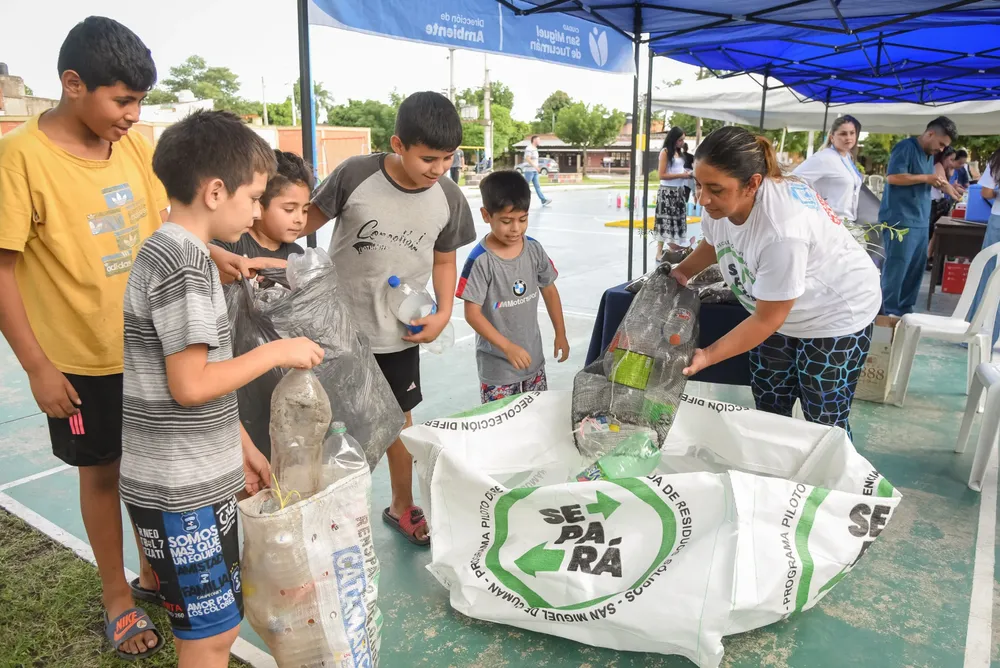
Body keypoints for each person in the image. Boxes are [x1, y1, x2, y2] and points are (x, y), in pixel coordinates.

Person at [121, 110, 324, 668]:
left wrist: (243, 447)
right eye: (255, 197)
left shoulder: (175, 253)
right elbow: (190, 385)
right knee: (210, 637)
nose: (258, 211)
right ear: (215, 191)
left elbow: (198, 383)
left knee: (213, 625)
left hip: (193, 477)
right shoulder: (185, 266)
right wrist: (277, 351)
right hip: (182, 490)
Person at [302, 91, 476, 546]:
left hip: (398, 334)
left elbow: (443, 262)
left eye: (448, 158)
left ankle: (401, 504)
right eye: (429, 158)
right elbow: (300, 223)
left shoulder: (450, 198)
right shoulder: (355, 175)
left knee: (400, 422)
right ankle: (320, 514)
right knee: (327, 424)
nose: (439, 168)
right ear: (398, 144)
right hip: (336, 332)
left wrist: (442, 312)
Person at [671, 127, 882, 437]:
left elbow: (767, 319)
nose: (703, 198)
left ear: (752, 184)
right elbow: (716, 241)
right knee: (771, 406)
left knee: (825, 421)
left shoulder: (782, 230)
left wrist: (708, 355)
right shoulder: (721, 205)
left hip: (835, 312)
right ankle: (777, 474)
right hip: (778, 310)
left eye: (715, 189)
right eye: (698, 184)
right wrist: (683, 272)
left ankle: (834, 482)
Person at [457, 170, 569, 403]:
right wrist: (507, 347)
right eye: (506, 221)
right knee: (502, 428)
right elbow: (472, 314)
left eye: (523, 219)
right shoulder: (480, 260)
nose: (516, 229)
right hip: (498, 369)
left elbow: (549, 290)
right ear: (486, 215)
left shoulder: (534, 249)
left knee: (535, 419)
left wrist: (561, 333)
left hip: (533, 360)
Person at [879, 116, 961, 316]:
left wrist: (949, 188)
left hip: (921, 220)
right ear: (930, 133)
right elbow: (892, 177)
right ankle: (885, 315)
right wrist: (926, 177)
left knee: (915, 272)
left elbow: (932, 180)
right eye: (941, 144)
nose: (942, 150)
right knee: (897, 270)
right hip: (900, 219)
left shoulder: (928, 156)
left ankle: (905, 312)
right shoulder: (905, 147)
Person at [213, 149, 311, 263]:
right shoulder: (230, 242)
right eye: (289, 210)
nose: (300, 220)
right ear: (258, 203)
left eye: (305, 210)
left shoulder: (297, 256)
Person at [793, 115, 864, 222]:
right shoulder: (824, 158)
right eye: (843, 134)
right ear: (832, 137)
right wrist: (812, 204)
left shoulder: (847, 157)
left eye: (852, 133)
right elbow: (792, 180)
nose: (849, 137)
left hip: (847, 222)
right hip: (828, 222)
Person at [967, 147, 1000, 348]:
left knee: (988, 276)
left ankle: (976, 332)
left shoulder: (997, 159)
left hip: (997, 220)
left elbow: (986, 192)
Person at [654, 127, 693, 261]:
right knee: (665, 222)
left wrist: (686, 174)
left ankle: (673, 249)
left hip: (679, 191)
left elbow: (679, 170)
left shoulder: (680, 154)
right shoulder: (665, 153)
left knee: (677, 221)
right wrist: (681, 175)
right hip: (667, 192)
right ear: (674, 139)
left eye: (683, 140)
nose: (682, 142)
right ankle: (659, 251)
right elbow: (662, 175)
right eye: (680, 139)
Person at [522, 135, 552, 206]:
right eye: (538, 140)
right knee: (525, 186)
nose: (539, 141)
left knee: (537, 186)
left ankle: (543, 200)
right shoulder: (529, 148)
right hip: (529, 170)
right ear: (534, 140)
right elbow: (528, 158)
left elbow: (534, 160)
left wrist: (537, 167)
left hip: (534, 171)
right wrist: (535, 166)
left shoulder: (535, 148)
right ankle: (517, 199)